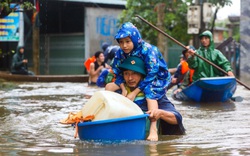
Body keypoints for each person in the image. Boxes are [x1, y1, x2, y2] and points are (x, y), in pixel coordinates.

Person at [105, 22, 171, 141]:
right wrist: (124, 89)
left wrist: (134, 93)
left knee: (150, 92)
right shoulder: (120, 53)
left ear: (135, 39)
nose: (124, 45)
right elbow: (117, 71)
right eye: (121, 42)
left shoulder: (148, 50)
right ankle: (109, 117)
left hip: (156, 77)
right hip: (131, 78)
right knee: (109, 87)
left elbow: (152, 73)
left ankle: (153, 128)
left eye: (127, 41)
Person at [118, 56, 185, 140]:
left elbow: (176, 118)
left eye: (134, 73)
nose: (130, 78)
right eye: (126, 74)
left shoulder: (154, 94)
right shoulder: (119, 92)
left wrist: (160, 113)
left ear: (142, 75)